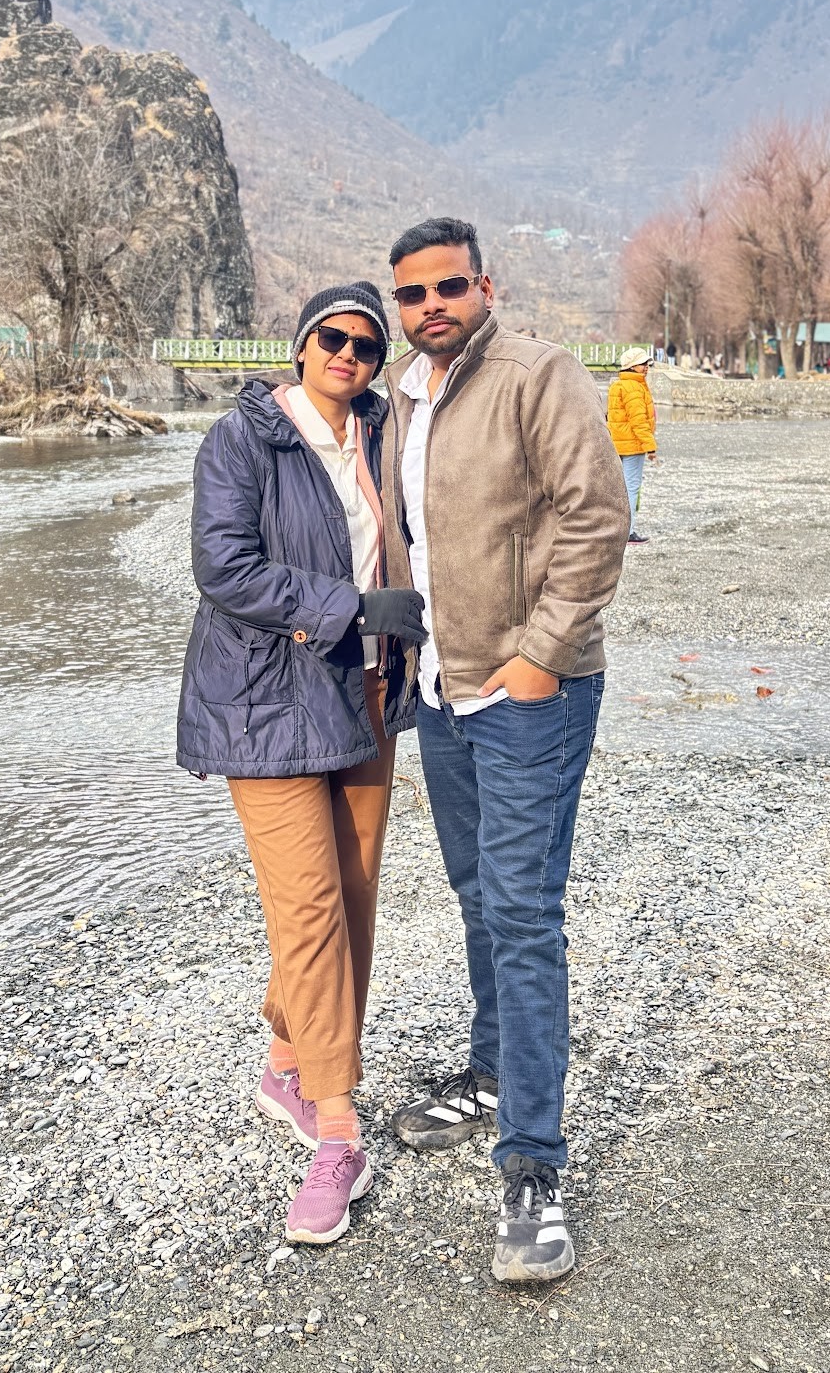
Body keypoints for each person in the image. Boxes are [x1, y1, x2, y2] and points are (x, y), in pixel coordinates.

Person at [378, 219, 628, 1283]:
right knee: (480, 894)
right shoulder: (404, 395)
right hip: (444, 689)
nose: (431, 305)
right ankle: (490, 1074)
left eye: (448, 286)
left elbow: (597, 516)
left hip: (528, 693)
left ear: (485, 284)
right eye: (412, 293)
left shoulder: (536, 373)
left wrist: (538, 656)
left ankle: (533, 1164)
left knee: (524, 913)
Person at [176, 282, 426, 1248]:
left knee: (351, 893)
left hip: (368, 691)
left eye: (367, 345)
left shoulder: (384, 432)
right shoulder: (245, 440)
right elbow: (223, 568)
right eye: (332, 338)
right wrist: (352, 609)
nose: (348, 355)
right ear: (300, 344)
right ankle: (336, 1126)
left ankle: (288, 1056)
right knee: (309, 903)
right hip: (268, 700)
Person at [606, 346, 658, 545]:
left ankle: (613, 528)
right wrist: (650, 447)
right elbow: (638, 420)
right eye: (642, 364)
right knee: (631, 487)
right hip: (633, 446)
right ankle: (628, 532)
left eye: (647, 363)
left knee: (617, 487)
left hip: (617, 444)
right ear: (632, 366)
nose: (646, 367)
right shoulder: (634, 388)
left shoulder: (617, 385)